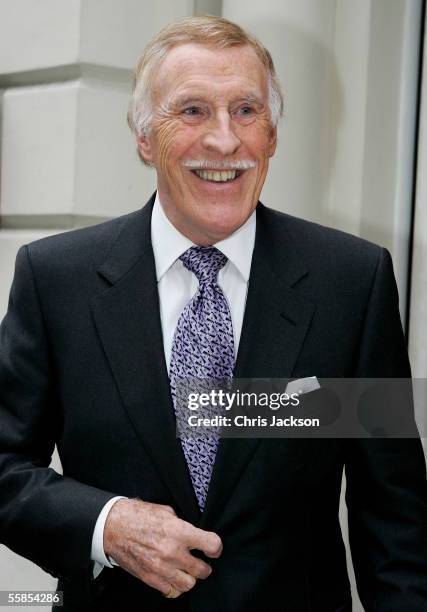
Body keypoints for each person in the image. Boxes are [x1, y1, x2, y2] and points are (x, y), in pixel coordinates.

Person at [0, 15, 426, 612]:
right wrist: (106, 524)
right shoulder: (56, 280)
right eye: (193, 111)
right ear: (145, 137)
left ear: (273, 135)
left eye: (247, 110)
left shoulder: (352, 284)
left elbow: (396, 520)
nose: (224, 141)